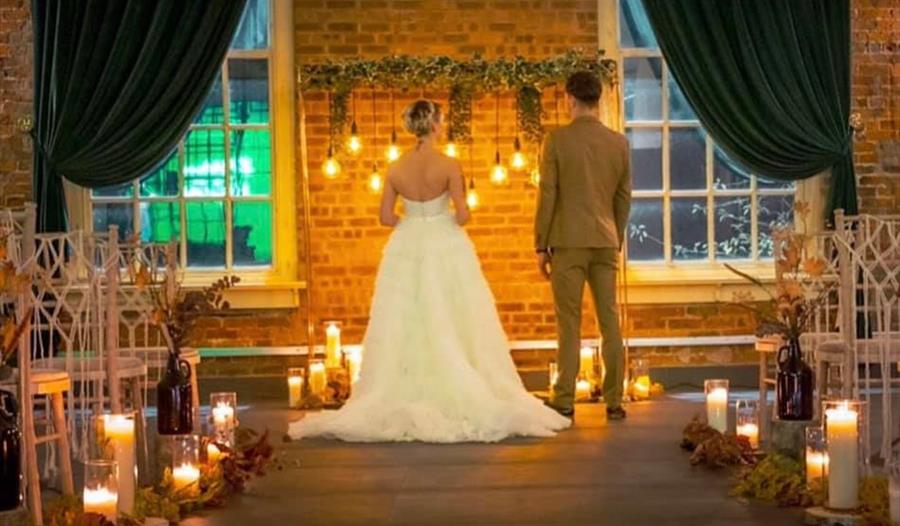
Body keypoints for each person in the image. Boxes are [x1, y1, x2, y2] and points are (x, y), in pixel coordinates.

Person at [289, 100, 570, 443]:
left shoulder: (395, 168)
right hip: (444, 241)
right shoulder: (449, 164)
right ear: (435, 125)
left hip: (407, 242)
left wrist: (412, 220)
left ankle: (403, 385)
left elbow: (385, 217)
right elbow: (464, 214)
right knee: (455, 312)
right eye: (442, 120)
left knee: (407, 316)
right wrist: (444, 218)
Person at [535, 71, 632, 421]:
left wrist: (541, 245)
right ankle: (615, 399)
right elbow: (624, 198)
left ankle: (563, 399)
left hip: (567, 241)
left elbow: (548, 195)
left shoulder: (557, 141)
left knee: (569, 322)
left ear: (570, 100)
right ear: (599, 100)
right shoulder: (619, 143)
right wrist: (615, 237)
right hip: (605, 240)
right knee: (610, 320)